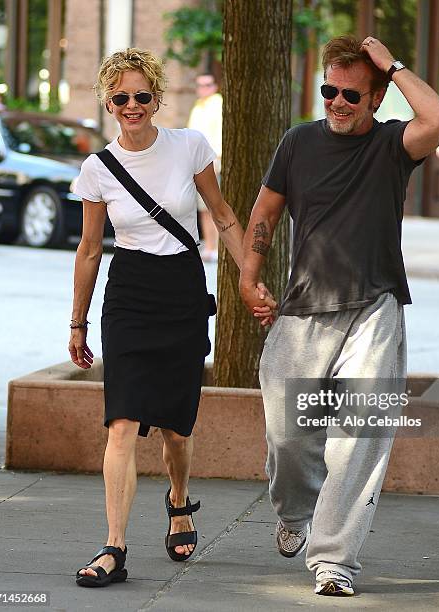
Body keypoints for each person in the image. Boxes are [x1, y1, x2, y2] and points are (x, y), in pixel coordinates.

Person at [239, 35, 439, 596]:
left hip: (375, 306)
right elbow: (265, 210)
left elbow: (437, 115)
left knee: (359, 436)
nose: (336, 101)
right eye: (328, 90)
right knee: (288, 436)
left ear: (377, 98)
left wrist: (394, 65)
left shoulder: (393, 145)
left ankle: (334, 560)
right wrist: (246, 273)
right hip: (303, 308)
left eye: (351, 94)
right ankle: (293, 513)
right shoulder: (297, 142)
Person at [69, 47, 275, 587]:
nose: (131, 105)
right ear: (109, 103)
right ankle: (114, 547)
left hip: (182, 289)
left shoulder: (189, 146)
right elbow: (90, 250)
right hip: (130, 293)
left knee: (174, 429)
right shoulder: (98, 168)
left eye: (141, 95)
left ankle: (179, 501)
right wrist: (77, 321)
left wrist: (247, 278)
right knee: (121, 422)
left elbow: (225, 216)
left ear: (156, 98)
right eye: (120, 97)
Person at [187, 73, 222, 262]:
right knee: (203, 208)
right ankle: (209, 246)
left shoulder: (217, 104)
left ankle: (215, 247)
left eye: (208, 84)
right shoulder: (198, 107)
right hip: (197, 164)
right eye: (200, 85)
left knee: (214, 207)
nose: (204, 88)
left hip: (213, 163)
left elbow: (218, 136)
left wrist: (216, 161)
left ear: (215, 86)